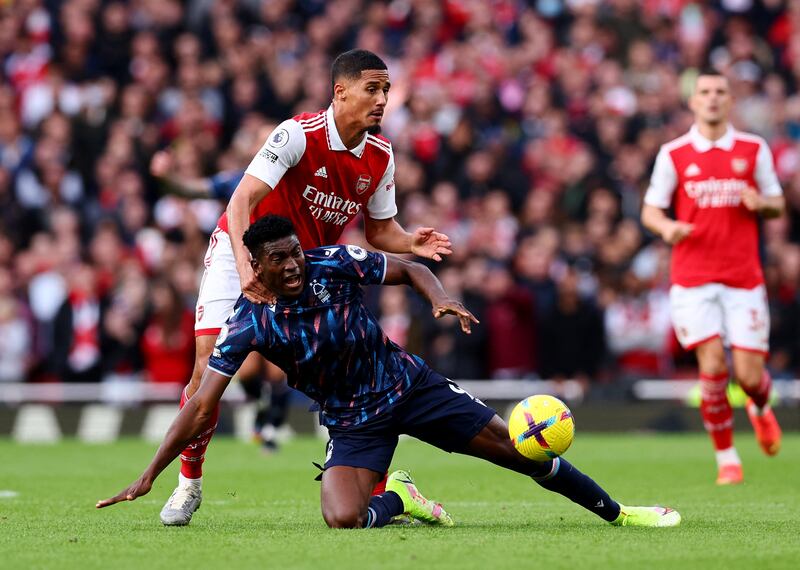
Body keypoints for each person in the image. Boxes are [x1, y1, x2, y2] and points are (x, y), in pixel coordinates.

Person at [97, 215, 681, 530]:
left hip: (410, 386)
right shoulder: (246, 323)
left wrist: (439, 297)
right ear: (258, 266)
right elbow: (201, 402)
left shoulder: (334, 262)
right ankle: (399, 495)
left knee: (523, 450)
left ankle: (620, 512)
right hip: (353, 423)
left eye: (297, 252)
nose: (295, 264)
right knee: (342, 518)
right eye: (280, 259)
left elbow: (405, 267)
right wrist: (151, 472)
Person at [159, 49, 452, 526]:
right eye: (372, 89)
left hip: (303, 270)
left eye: (386, 91)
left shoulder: (380, 156)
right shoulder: (297, 134)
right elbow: (240, 203)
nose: (382, 100)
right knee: (204, 370)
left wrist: (410, 242)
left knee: (355, 373)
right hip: (242, 253)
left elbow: (380, 231)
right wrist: (243, 263)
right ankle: (188, 483)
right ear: (341, 91)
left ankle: (385, 489)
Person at [641, 69, 784, 485]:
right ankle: (727, 459)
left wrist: (762, 203)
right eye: (704, 92)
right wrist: (667, 229)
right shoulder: (674, 153)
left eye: (720, 91)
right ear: (693, 101)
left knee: (750, 376)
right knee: (712, 364)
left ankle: (759, 406)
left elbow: (777, 202)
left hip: (743, 278)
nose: (712, 98)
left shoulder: (753, 149)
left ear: (730, 99)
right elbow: (651, 209)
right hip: (693, 278)